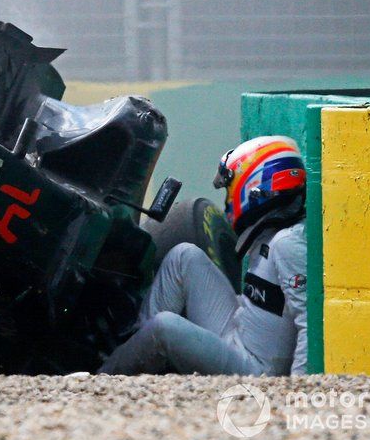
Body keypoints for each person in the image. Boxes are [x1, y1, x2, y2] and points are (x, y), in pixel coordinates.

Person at [99, 136, 308, 376]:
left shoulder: (287, 244)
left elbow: (308, 323)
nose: (228, 199)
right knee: (184, 256)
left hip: (254, 369)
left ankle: (104, 377)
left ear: (255, 188)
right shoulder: (268, 232)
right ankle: (132, 348)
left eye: (231, 188)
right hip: (239, 333)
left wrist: (299, 389)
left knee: (165, 326)